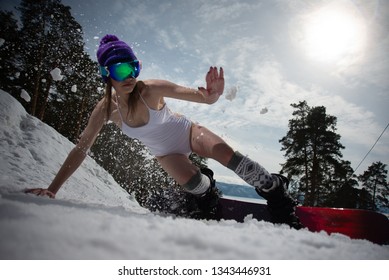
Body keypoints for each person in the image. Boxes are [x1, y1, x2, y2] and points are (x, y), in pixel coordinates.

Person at [25, 34, 301, 229]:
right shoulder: (105, 109)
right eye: (121, 70)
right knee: (195, 187)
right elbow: (81, 148)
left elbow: (199, 96)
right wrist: (52, 190)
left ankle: (278, 194)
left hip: (189, 133)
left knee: (231, 157)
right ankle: (208, 192)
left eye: (133, 67)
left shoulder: (151, 88)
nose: (130, 76)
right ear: (106, 74)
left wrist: (212, 96)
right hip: (166, 153)